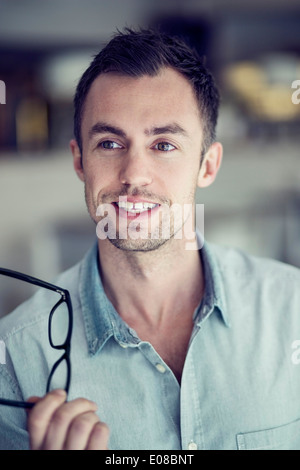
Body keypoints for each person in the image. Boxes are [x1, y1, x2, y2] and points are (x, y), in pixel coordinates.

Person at [0, 27, 300, 451]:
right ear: (79, 161)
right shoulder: (14, 359)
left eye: (163, 144)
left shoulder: (292, 311)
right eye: (109, 142)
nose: (134, 175)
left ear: (207, 165)